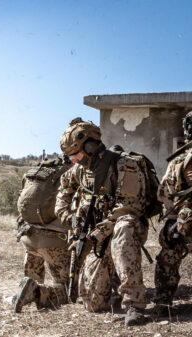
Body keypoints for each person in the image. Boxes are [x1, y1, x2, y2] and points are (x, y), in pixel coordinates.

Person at [54, 118, 149, 326]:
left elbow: (130, 206)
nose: (74, 160)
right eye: (70, 156)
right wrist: (67, 216)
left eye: (76, 154)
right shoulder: (79, 170)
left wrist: (103, 229)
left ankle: (134, 304)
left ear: (90, 146)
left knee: (124, 226)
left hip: (122, 228)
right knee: (93, 303)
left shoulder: (124, 164)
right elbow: (63, 191)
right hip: (95, 235)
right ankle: (112, 288)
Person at [12, 157, 73, 313]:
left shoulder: (33, 174)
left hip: (29, 238)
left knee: (32, 279)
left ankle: (29, 286)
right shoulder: (71, 174)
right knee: (68, 289)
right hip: (55, 241)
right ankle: (36, 293)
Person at [153, 111, 192, 316]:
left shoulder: (178, 161)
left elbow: (163, 194)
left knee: (167, 260)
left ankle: (163, 303)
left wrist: (174, 219)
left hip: (182, 224)